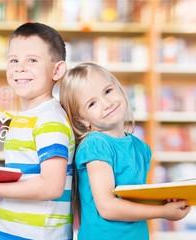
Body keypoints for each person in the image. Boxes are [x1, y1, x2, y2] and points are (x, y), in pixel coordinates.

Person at [0, 22, 75, 240]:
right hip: (10, 231)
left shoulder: (50, 119)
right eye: (14, 60)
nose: (20, 68)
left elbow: (52, 186)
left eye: (32, 60)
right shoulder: (25, 118)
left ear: (57, 70)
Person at [59, 62, 191, 240]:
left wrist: (171, 201)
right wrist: (163, 211)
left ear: (119, 88)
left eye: (107, 91)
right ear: (82, 119)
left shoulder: (140, 147)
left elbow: (136, 200)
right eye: (92, 104)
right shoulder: (95, 144)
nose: (106, 103)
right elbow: (107, 207)